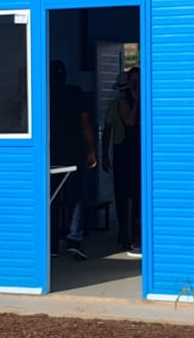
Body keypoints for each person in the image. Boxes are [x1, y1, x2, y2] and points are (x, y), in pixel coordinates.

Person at [49, 60, 98, 261]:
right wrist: (92, 149)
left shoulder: (43, 93)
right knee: (75, 198)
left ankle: (51, 244)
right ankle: (73, 241)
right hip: (73, 153)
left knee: (51, 199)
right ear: (65, 76)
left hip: (50, 154)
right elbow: (85, 123)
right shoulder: (75, 93)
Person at [103, 67, 142, 256]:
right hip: (124, 152)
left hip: (137, 152)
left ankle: (134, 233)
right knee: (125, 195)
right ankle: (127, 236)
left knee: (137, 194)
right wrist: (104, 154)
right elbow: (129, 122)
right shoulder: (120, 103)